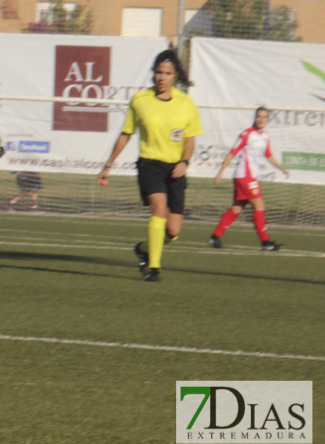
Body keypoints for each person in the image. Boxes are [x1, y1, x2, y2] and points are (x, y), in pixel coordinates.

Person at [98, 49, 202, 283]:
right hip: (149, 165)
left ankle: (143, 249)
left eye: (167, 73)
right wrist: (108, 165)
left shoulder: (186, 104)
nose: (161, 77)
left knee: (173, 232)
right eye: (158, 72)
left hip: (175, 168)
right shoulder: (140, 100)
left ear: (175, 76)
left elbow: (190, 140)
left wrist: (185, 161)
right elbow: (126, 133)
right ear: (153, 73)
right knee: (158, 210)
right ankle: (153, 268)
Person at [208, 106, 289, 251]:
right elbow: (232, 152)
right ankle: (266, 243)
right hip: (245, 176)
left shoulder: (265, 136)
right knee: (259, 206)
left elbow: (269, 154)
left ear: (268, 119)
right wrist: (221, 171)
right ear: (254, 118)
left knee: (237, 209)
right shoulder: (247, 134)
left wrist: (281, 168)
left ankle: (214, 238)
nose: (261, 119)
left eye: (264, 117)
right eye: (258, 116)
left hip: (247, 177)